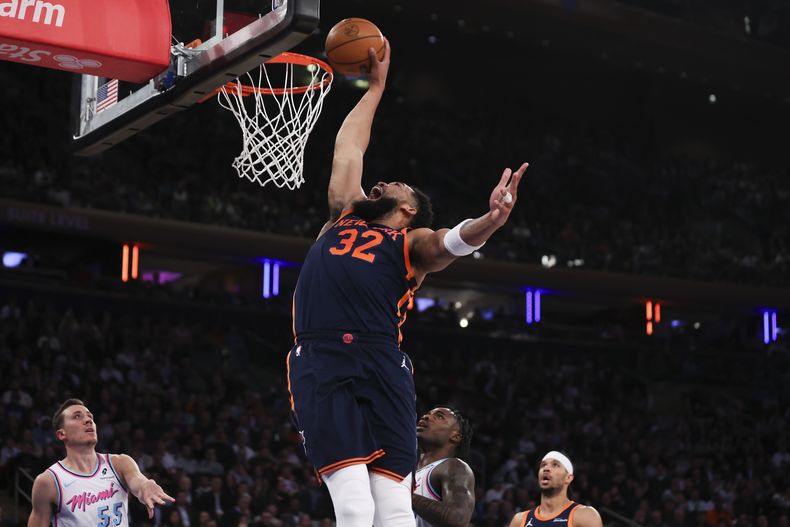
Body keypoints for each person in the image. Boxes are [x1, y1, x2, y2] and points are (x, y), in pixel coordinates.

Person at [287, 39, 527, 527]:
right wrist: (375, 88)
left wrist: (491, 221)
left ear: (409, 207)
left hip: (382, 361)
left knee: (394, 507)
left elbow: (451, 242)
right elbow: (349, 146)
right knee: (355, 506)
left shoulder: (411, 243)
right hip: (322, 357)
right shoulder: (343, 214)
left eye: (393, 184)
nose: (380, 182)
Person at [27, 399, 174, 527]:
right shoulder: (48, 482)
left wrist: (145, 486)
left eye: (90, 416)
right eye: (77, 416)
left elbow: (138, 482)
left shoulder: (120, 464)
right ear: (61, 434)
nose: (88, 420)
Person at [412, 406, 475, 527]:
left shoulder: (455, 466)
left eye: (439, 416)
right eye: (428, 413)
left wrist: (403, 494)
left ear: (455, 436)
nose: (426, 417)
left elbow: (458, 518)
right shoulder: (408, 469)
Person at [509, 451, 602, 527]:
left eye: (555, 465)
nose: (546, 468)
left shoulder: (585, 516)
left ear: (568, 478)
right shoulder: (519, 520)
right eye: (543, 465)